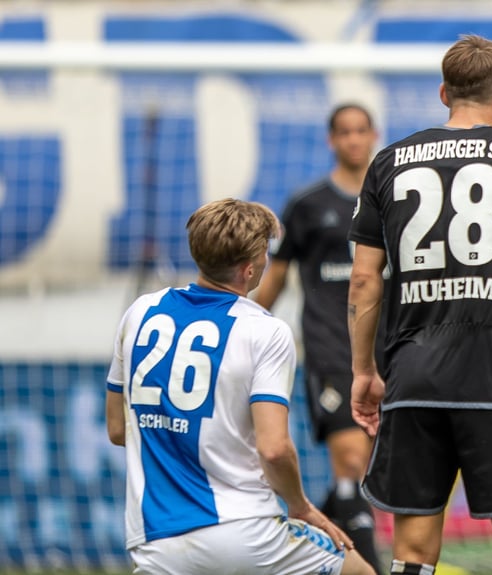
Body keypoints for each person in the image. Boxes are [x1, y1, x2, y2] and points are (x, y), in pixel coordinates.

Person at [347, 35, 492, 575]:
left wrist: (364, 371)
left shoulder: (388, 163)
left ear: (444, 92)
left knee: (414, 552)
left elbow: (363, 281)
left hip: (412, 376)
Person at [105, 198, 374, 575]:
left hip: (155, 541)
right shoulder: (264, 330)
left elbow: (119, 430)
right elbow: (275, 449)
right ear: (250, 269)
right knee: (360, 571)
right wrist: (299, 505)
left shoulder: (140, 312)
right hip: (245, 533)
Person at [254, 103, 385, 574]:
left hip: (387, 349)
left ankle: (320, 536)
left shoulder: (391, 196)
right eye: (343, 133)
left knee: (366, 474)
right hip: (331, 350)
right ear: (331, 140)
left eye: (360, 131)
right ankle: (365, 567)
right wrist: (240, 322)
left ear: (375, 135)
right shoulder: (307, 204)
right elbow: (276, 279)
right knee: (350, 462)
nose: (353, 140)